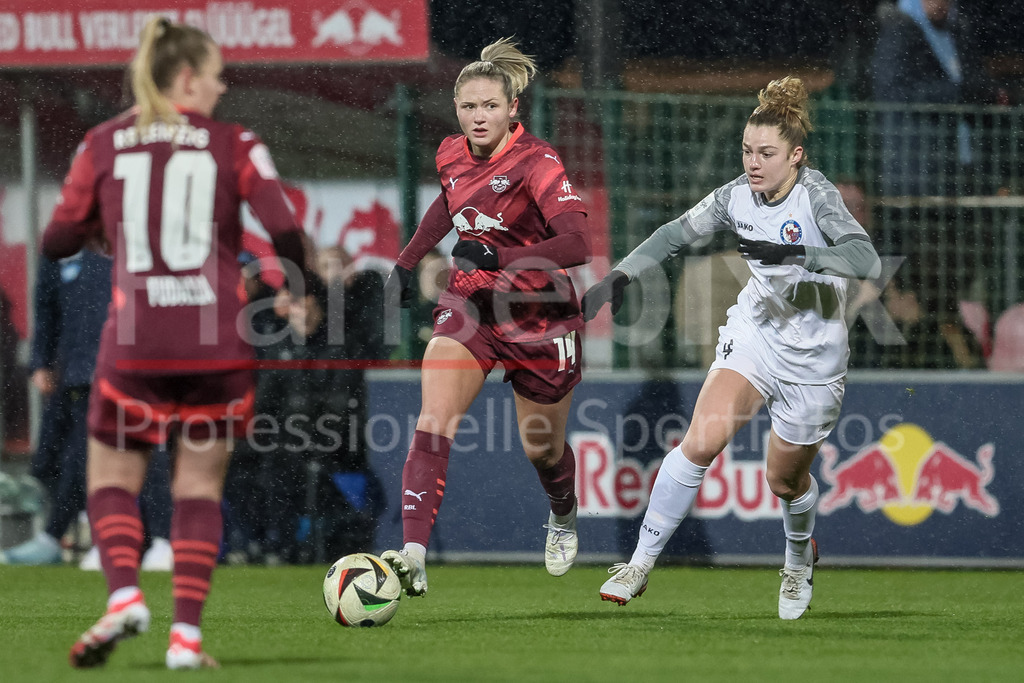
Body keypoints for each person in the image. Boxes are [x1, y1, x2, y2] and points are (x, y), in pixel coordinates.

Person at [41, 16, 310, 670]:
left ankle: (125, 593)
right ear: (187, 76)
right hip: (216, 341)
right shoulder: (234, 142)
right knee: (197, 488)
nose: (222, 87)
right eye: (216, 74)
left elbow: (55, 241)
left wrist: (104, 229)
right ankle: (185, 639)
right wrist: (300, 284)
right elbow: (282, 225)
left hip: (136, 342)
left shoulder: (104, 142)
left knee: (111, 475)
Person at [582, 77, 881, 619]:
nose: (753, 162)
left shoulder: (818, 196)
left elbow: (867, 261)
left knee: (783, 481)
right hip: (756, 336)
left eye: (766, 153)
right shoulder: (735, 197)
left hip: (814, 359)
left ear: (796, 156)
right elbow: (675, 233)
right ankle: (639, 564)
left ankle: (797, 559)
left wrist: (799, 252)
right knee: (698, 443)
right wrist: (622, 275)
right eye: (747, 150)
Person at [380, 37, 593, 596]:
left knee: (542, 449)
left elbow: (577, 244)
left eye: (490, 106)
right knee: (433, 420)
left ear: (512, 108)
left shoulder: (537, 162)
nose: (479, 117)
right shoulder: (450, 153)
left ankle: (563, 511)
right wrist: (406, 263)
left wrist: (502, 257)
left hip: (541, 319)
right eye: (469, 107)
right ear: (457, 110)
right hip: (471, 307)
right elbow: (447, 204)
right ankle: (414, 553)